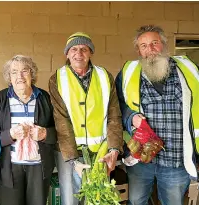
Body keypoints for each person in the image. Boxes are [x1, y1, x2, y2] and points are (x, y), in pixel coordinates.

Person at [116, 25, 199, 205]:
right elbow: (117, 106)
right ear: (138, 50)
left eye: (155, 43)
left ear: (164, 44)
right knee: (137, 201)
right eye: (144, 46)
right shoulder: (128, 72)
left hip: (176, 158)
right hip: (140, 158)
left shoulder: (188, 69)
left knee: (173, 202)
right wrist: (131, 117)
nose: (150, 49)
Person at [49, 32, 123, 205]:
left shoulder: (104, 76)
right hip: (69, 152)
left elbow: (114, 114)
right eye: (73, 49)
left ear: (90, 52)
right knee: (71, 200)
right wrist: (74, 160)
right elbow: (61, 120)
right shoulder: (57, 79)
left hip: (100, 152)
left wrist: (114, 149)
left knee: (97, 198)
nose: (79, 53)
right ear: (67, 54)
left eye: (84, 49)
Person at [0, 55, 56, 205]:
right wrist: (10, 134)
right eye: (14, 72)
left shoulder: (44, 98)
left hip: (39, 169)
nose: (19, 76)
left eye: (24, 71)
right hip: (10, 169)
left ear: (32, 74)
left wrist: (45, 134)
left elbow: (58, 132)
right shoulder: (0, 99)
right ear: (9, 77)